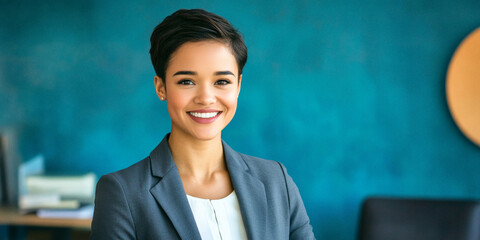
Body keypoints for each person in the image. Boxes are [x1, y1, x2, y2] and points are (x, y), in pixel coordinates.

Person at [90, 9, 315, 240]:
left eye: (222, 81)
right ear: (161, 88)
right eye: (187, 81)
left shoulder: (276, 181)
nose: (206, 98)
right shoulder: (123, 192)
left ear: (238, 86)